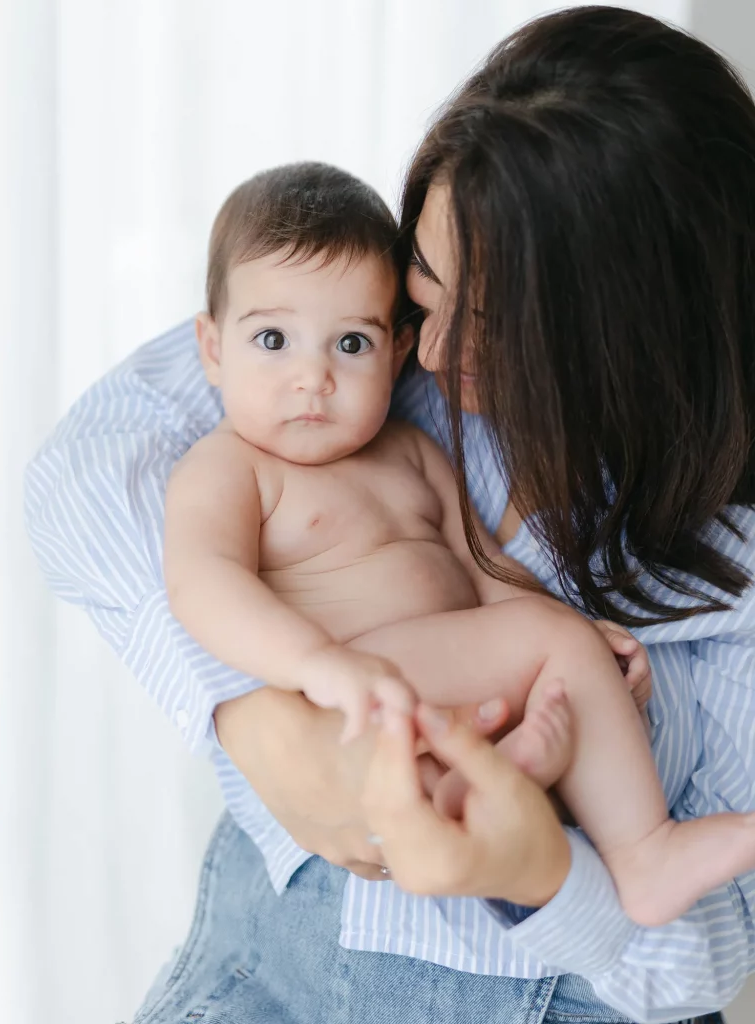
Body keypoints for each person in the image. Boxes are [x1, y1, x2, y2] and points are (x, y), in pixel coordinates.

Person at [23, 5, 752, 1022]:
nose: (432, 353)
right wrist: (259, 715)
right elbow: (85, 471)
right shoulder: (331, 349)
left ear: (629, 335)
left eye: (494, 323)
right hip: (264, 971)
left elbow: (701, 963)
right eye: (426, 287)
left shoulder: (729, 576)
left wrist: (543, 873)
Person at [166, 159, 753, 932]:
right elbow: (202, 581)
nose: (313, 377)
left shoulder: (411, 450)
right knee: (549, 647)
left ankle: (499, 783)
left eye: (351, 343)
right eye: (273, 339)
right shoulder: (230, 466)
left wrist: (579, 641)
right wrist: (315, 664)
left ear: (397, 350)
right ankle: (644, 852)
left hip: (438, 702)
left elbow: (483, 568)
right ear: (212, 348)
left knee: (557, 665)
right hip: (353, 693)